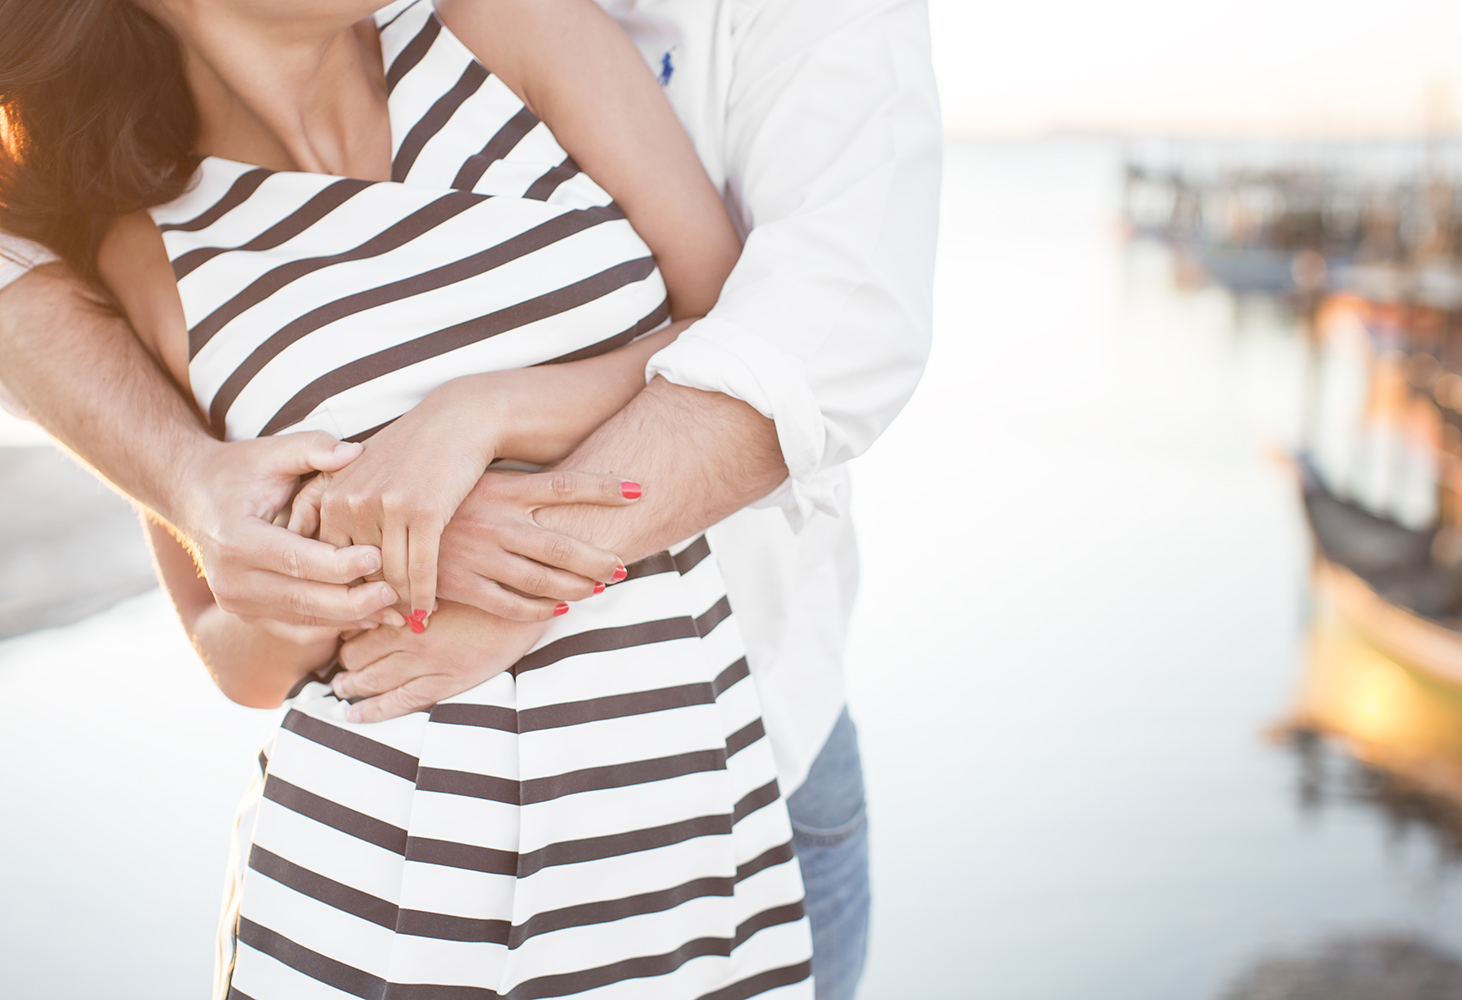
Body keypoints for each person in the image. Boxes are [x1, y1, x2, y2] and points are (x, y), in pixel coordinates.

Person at [0, 0, 940, 997]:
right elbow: (232, 650)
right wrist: (353, 557)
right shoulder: (145, 251)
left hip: (677, 832)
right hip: (369, 887)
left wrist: (483, 418)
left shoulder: (506, 25)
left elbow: (745, 323)